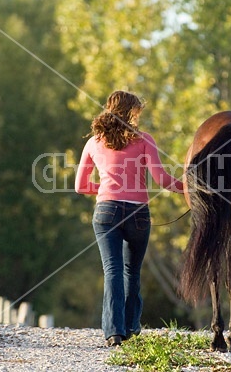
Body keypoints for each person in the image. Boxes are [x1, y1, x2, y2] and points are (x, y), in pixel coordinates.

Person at [75, 90, 184, 347]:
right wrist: (188, 187)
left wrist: (103, 189)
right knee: (131, 272)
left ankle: (114, 332)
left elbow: (80, 185)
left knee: (111, 270)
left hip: (105, 211)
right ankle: (132, 328)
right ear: (130, 112)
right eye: (137, 112)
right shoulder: (144, 140)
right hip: (138, 213)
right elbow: (162, 180)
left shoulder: (93, 142)